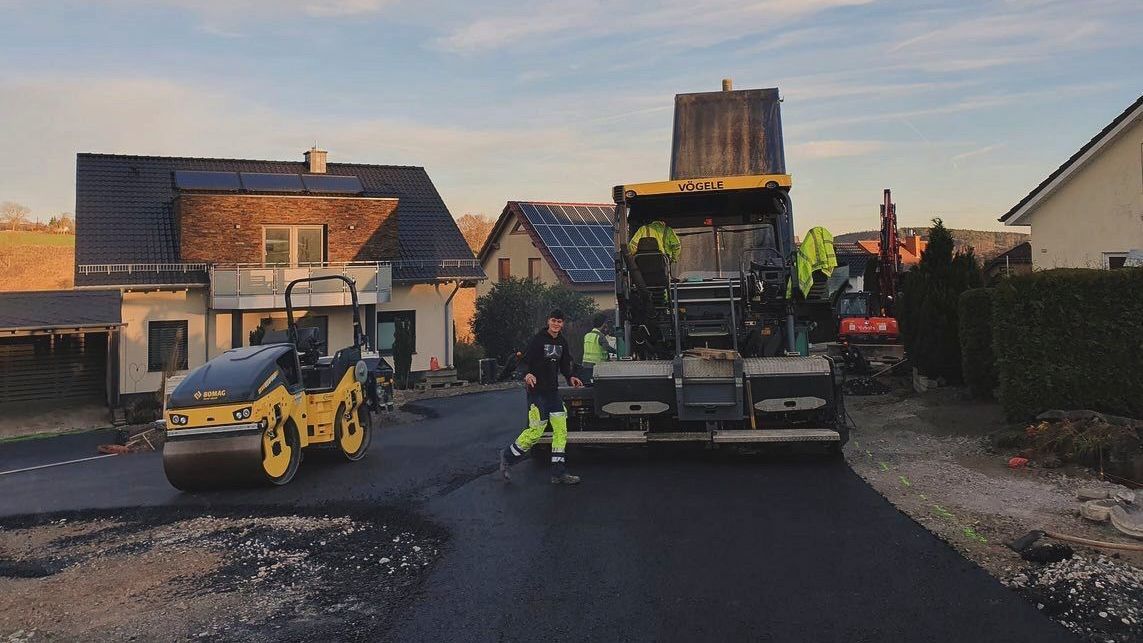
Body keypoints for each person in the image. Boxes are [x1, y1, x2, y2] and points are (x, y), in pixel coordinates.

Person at [498, 310, 584, 485]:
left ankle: (559, 473)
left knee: (561, 431)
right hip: (537, 393)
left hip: (553, 393)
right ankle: (507, 457)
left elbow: (565, 364)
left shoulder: (562, 342)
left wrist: (571, 377)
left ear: (562, 324)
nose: (556, 324)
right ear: (548, 321)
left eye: (559, 321)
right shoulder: (539, 340)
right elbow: (524, 361)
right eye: (553, 320)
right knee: (536, 431)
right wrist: (527, 374)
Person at [580, 313, 617, 383]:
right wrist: (618, 352)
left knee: (589, 385)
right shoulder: (600, 336)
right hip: (597, 367)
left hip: (585, 366)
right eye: (605, 323)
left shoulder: (587, 335)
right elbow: (607, 348)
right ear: (603, 324)